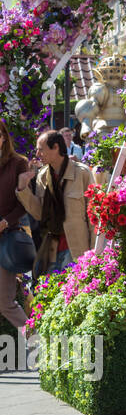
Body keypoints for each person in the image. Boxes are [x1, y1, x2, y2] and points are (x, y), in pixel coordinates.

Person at [17, 130, 95, 278]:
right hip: (51, 248)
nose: (38, 154)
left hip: (77, 249)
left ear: (56, 148)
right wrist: (23, 189)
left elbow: (94, 217)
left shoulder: (82, 173)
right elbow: (39, 213)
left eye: (41, 149)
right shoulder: (42, 175)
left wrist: (94, 252)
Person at [0, 118, 32, 332]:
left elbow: (25, 202)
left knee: (5, 302)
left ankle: (37, 345)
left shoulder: (19, 163)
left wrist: (6, 221)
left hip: (6, 238)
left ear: (3, 138)